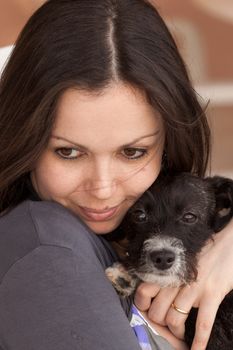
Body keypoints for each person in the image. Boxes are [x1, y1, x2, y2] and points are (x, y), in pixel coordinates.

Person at [0, 0, 232, 349]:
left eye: (132, 152)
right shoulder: (46, 249)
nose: (103, 189)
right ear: (25, 140)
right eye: (68, 152)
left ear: (169, 140)